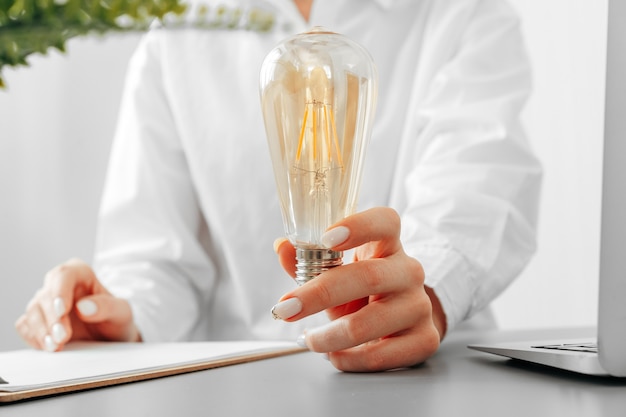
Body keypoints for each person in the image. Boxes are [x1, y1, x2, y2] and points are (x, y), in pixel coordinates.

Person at [15, 0, 541, 372]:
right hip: (241, 382)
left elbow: (476, 198)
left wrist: (419, 293)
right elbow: (159, 259)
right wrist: (119, 316)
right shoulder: (179, 32)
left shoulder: (462, 12)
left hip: (422, 376)